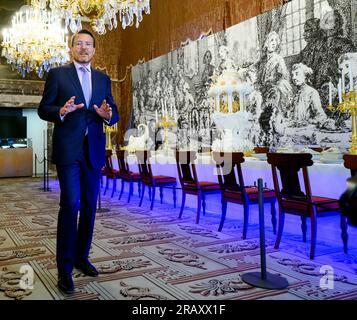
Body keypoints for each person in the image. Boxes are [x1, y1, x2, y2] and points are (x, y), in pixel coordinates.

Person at [38, 29, 119, 293]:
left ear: (94, 50)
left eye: (88, 44)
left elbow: (113, 112)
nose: (84, 48)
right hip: (68, 151)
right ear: (71, 48)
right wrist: (60, 111)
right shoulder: (58, 75)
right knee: (70, 204)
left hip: (93, 151)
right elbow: (43, 108)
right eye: (79, 44)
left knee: (88, 207)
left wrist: (108, 115)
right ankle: (64, 269)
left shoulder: (103, 79)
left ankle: (82, 257)